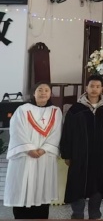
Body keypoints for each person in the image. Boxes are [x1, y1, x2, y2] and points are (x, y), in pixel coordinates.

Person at [3, 82, 62, 219]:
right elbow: (17, 131)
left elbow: (57, 132)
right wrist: (28, 148)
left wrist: (45, 149)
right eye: (40, 90)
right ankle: (21, 216)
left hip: (45, 157)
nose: (43, 93)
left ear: (50, 94)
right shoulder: (22, 110)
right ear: (33, 93)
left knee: (42, 189)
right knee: (22, 187)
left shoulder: (55, 111)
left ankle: (41, 216)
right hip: (25, 157)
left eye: (46, 90)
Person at [60, 75, 103, 219]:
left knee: (97, 186)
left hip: (101, 156)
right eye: (92, 86)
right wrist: (67, 154)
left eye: (97, 86)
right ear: (86, 88)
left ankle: (94, 214)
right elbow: (67, 132)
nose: (94, 89)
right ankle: (77, 214)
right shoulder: (75, 109)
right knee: (77, 185)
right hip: (79, 156)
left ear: (102, 89)